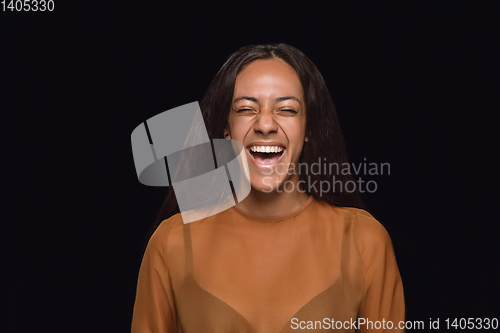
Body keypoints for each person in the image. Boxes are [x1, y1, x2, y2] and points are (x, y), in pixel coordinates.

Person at [131, 43, 405, 332]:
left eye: (286, 109)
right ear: (227, 129)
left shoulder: (365, 242)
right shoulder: (171, 243)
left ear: (309, 128)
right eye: (247, 109)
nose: (265, 124)